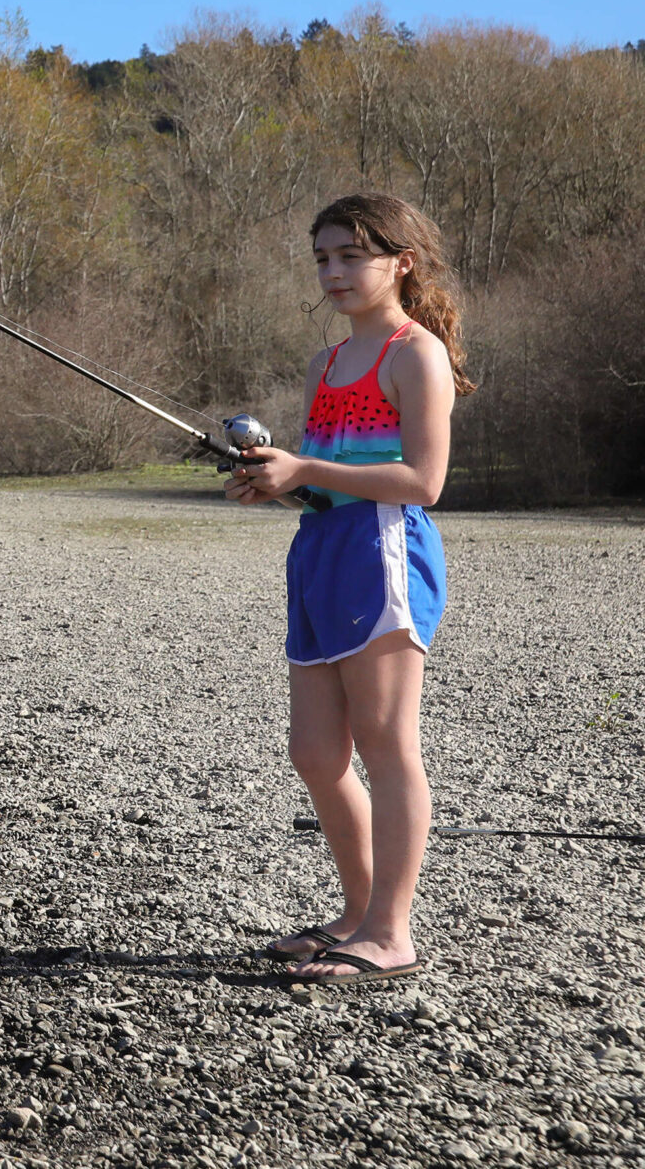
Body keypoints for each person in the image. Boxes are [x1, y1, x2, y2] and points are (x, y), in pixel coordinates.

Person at [228, 193, 468, 986]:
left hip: (384, 554)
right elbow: (327, 483)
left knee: (387, 742)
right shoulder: (324, 365)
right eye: (322, 257)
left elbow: (421, 481)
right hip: (322, 550)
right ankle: (357, 914)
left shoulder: (414, 353)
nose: (333, 271)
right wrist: (280, 483)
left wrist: (309, 470)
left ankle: (391, 933)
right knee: (316, 751)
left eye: (350, 255)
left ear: (400, 262)